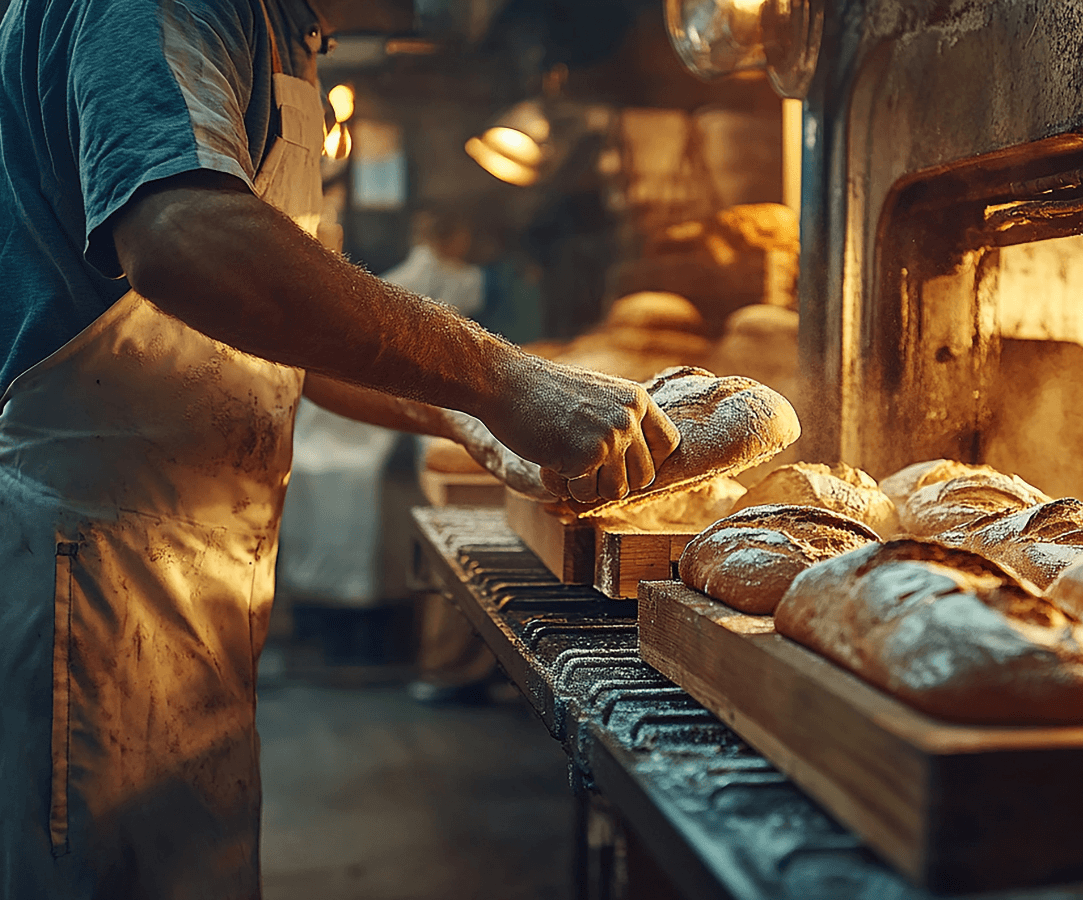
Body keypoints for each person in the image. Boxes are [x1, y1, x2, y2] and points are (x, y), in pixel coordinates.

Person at [0, 1, 680, 897]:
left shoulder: (286, 32)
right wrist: (499, 378)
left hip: (191, 565)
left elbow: (276, 319)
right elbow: (184, 240)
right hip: (88, 559)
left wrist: (465, 416)